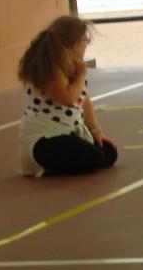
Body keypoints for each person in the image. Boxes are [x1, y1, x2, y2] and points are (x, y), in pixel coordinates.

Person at [17, 16, 117, 176]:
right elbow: (68, 99)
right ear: (73, 43)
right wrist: (81, 75)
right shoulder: (51, 68)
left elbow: (84, 100)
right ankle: (44, 166)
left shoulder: (71, 66)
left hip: (69, 131)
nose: (86, 45)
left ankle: (68, 157)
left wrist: (95, 130)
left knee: (108, 153)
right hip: (45, 137)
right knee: (93, 158)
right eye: (85, 40)